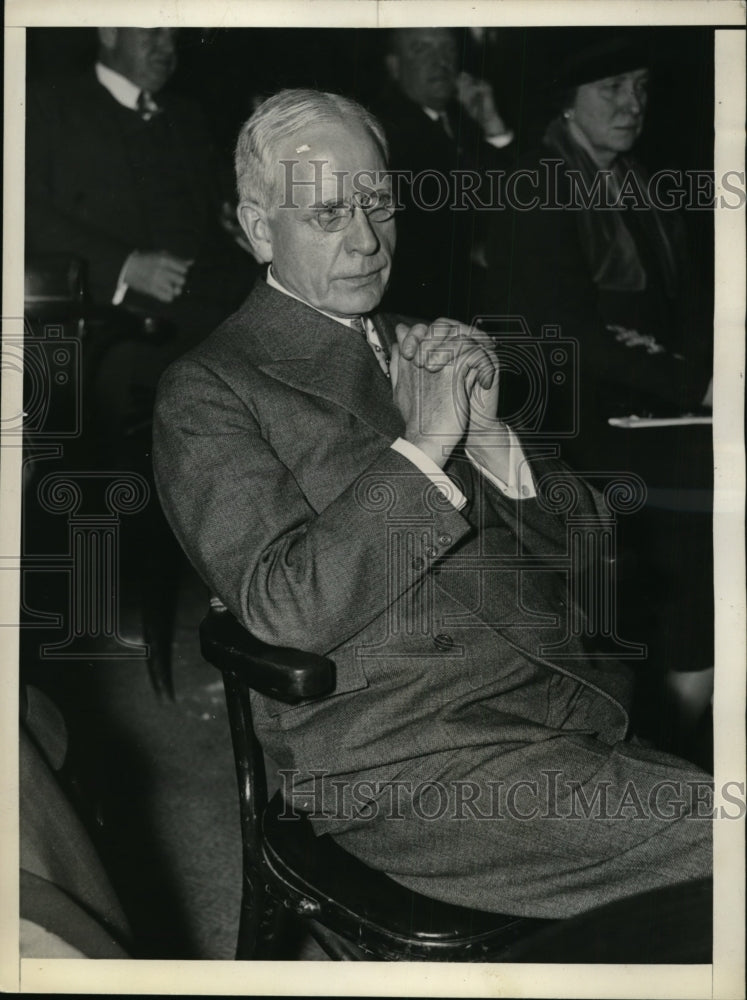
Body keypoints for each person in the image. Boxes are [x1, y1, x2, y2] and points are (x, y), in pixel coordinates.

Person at [153, 89, 712, 922]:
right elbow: (283, 607)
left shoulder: (418, 340)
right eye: (328, 213)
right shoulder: (210, 389)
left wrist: (487, 438)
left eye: (377, 203)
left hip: (554, 705)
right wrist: (422, 447)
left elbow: (588, 552)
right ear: (260, 227)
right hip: (409, 765)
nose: (367, 240)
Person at [481, 33, 714, 754]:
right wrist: (688, 379)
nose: (632, 103)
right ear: (567, 102)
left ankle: (694, 704)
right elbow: (567, 336)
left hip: (653, 401)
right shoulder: (537, 182)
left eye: (640, 86)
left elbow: (689, 309)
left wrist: (701, 368)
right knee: (692, 518)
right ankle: (670, 731)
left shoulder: (639, 182)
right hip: (569, 413)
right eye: (611, 88)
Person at [25, 27, 256, 425]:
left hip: (217, 309)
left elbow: (223, 211)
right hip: (119, 328)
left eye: (172, 35)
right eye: (153, 33)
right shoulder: (47, 106)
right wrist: (124, 266)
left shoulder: (187, 115)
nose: (167, 48)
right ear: (110, 32)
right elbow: (23, 213)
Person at [373, 28, 515, 321]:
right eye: (421, 49)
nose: (439, 61)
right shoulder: (383, 134)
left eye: (447, 49)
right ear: (394, 66)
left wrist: (493, 125)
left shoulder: (466, 118)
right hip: (430, 310)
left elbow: (522, 193)